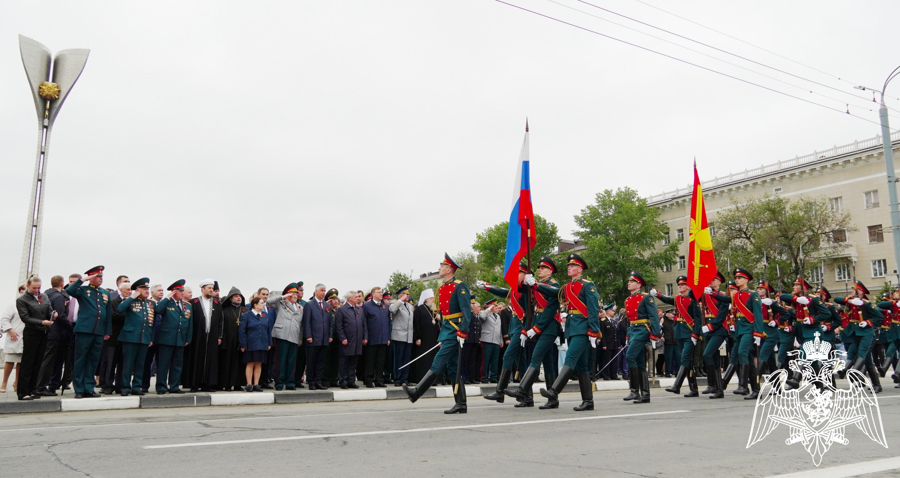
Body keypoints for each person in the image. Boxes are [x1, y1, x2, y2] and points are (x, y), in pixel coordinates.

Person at [404, 253, 472, 414]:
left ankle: (417, 392)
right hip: (447, 330)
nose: (439, 268)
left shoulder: (459, 286)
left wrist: (463, 331)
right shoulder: (442, 287)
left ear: (449, 269)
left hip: (455, 331)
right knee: (453, 366)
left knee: (438, 361)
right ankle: (461, 403)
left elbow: (466, 311)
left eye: (442, 266)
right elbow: (442, 314)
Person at [539, 254, 600, 411]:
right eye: (568, 266)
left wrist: (594, 330)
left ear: (580, 269)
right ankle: (588, 401)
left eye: (572, 266)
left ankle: (554, 390)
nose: (569, 268)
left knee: (570, 358)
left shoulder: (588, 285)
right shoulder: (566, 287)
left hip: (583, 328)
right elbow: (553, 293)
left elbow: (593, 310)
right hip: (572, 329)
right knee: (581, 366)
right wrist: (536, 285)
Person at [505, 256, 563, 408]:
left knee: (536, 357)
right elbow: (521, 293)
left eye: (543, 268)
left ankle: (522, 389)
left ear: (550, 270)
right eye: (539, 268)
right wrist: (524, 281)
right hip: (540, 325)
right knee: (548, 362)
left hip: (549, 326)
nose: (540, 270)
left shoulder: (553, 284)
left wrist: (536, 328)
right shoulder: (538, 284)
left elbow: (550, 309)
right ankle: (553, 399)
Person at [477, 262, 531, 405]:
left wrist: (526, 329)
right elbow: (503, 291)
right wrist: (487, 286)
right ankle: (527, 397)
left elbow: (529, 312)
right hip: (516, 329)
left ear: (525, 274)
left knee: (508, 357)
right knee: (522, 363)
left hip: (522, 329)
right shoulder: (515, 290)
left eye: (518, 272)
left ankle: (500, 391)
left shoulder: (527, 290)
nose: (515, 275)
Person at [65, 266, 112, 399]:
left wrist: (107, 331)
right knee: (81, 359)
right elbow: (69, 290)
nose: (101, 279)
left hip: (99, 331)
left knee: (93, 360)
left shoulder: (105, 293)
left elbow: (107, 314)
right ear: (91, 278)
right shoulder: (83, 290)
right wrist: (82, 280)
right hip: (84, 330)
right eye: (98, 276)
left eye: (101, 276)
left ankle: (89, 388)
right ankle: (79, 388)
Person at [778, 277, 830, 390]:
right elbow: (782, 296)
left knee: (804, 353)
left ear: (804, 288)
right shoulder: (795, 298)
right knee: (813, 362)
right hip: (801, 332)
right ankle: (820, 387)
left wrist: (813, 319)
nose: (793, 287)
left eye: (796, 285)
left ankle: (796, 379)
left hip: (813, 332)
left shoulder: (814, 300)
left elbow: (826, 314)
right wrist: (797, 299)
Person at [655, 276, 702, 398]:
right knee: (688, 362)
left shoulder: (693, 300)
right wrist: (658, 295)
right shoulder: (678, 299)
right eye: (678, 285)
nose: (680, 286)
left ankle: (677, 385)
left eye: (682, 284)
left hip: (690, 333)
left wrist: (696, 334)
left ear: (688, 286)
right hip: (680, 333)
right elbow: (667, 299)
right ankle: (694, 389)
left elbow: (698, 319)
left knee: (685, 359)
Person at [834, 281, 883, 392]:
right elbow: (837, 300)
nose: (852, 291)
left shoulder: (866, 304)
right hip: (855, 333)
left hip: (867, 333)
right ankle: (877, 385)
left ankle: (851, 370)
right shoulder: (850, 302)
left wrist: (868, 322)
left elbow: (879, 316)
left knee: (862, 353)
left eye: (855, 289)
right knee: (867, 360)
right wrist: (850, 300)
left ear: (861, 292)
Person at [620, 271, 660, 404]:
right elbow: (628, 320)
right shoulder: (627, 299)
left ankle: (634, 390)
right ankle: (645, 394)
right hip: (632, 331)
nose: (629, 283)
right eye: (629, 281)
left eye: (632, 281)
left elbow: (654, 316)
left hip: (643, 330)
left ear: (639, 284)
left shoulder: (646, 298)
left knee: (630, 356)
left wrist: (655, 334)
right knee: (639, 362)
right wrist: (627, 335)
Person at [16, 276, 55, 401]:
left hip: (43, 333)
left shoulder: (43, 296)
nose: (36, 290)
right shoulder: (22, 300)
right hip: (31, 333)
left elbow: (49, 309)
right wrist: (41, 322)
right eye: (34, 288)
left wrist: (53, 314)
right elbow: (25, 318)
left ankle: (33, 389)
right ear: (28, 286)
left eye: (38, 287)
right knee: (28, 362)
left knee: (38, 362)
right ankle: (23, 392)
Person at [35, 275, 74, 396]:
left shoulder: (46, 295)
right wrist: (72, 328)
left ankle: (49, 384)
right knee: (50, 360)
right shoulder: (58, 297)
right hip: (56, 332)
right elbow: (61, 316)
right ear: (62, 284)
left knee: (51, 360)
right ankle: (41, 386)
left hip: (49, 332)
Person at [116, 278, 155, 396]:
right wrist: (132, 297)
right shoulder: (130, 301)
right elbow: (119, 309)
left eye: (148, 289)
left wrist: (151, 338)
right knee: (128, 364)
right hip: (130, 337)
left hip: (144, 337)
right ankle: (125, 387)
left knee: (140, 364)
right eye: (144, 289)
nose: (147, 291)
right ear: (137, 290)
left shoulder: (150, 303)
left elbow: (151, 322)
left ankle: (137, 386)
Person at [184, 279, 224, 392]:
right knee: (196, 358)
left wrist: (219, 336)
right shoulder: (194, 302)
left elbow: (221, 321)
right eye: (209, 288)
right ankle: (195, 383)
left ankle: (208, 383)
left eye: (212, 288)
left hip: (212, 336)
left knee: (211, 360)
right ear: (202, 289)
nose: (211, 290)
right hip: (197, 335)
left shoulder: (217, 304)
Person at [154, 280, 193, 394]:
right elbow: (158, 310)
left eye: (183, 291)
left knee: (177, 365)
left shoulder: (187, 305)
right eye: (180, 291)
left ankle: (174, 386)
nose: (182, 293)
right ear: (174, 292)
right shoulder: (167, 303)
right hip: (167, 339)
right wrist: (167, 298)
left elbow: (189, 323)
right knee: (163, 364)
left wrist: (188, 338)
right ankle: (161, 386)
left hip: (180, 339)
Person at [699, 272, 728, 399]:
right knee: (714, 359)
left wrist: (710, 326)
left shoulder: (723, 296)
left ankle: (713, 384)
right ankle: (719, 389)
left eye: (714, 279)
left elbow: (722, 315)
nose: (711, 281)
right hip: (709, 330)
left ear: (719, 282)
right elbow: (692, 295)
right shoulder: (706, 295)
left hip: (719, 329)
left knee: (707, 354)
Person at [268, 283, 303, 390]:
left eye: (297, 293)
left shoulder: (300, 307)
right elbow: (268, 301)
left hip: (294, 336)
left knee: (292, 361)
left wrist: (300, 339)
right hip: (282, 335)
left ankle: (290, 382)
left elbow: (300, 325)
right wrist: (283, 297)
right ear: (288, 294)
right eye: (293, 293)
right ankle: (279, 382)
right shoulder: (281, 303)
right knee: (281, 360)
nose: (296, 295)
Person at [100, 280, 129, 395]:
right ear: (121, 290)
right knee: (110, 363)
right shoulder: (113, 302)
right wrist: (127, 317)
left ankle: (120, 385)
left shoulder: (131, 302)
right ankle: (107, 385)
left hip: (126, 338)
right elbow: (111, 315)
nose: (129, 292)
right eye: (127, 289)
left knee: (123, 363)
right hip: (113, 337)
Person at [304, 283, 334, 390]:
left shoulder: (327, 305)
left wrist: (330, 335)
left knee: (321, 362)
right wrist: (308, 335)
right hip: (313, 338)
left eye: (324, 291)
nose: (323, 293)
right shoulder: (309, 305)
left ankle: (318, 381)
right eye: (321, 290)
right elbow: (306, 322)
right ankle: (311, 381)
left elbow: (330, 322)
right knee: (312, 361)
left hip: (324, 339)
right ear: (316, 291)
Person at [239, 296, 273, 392]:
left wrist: (269, 342)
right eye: (261, 303)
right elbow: (242, 331)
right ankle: (249, 384)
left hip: (262, 343)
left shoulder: (265, 315)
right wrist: (243, 344)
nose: (263, 305)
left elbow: (268, 330)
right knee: (250, 363)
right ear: (255, 305)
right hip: (251, 343)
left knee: (259, 363)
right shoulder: (247, 315)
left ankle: (256, 384)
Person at [336, 291, 366, 388]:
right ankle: (343, 381)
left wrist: (365, 337)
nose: (358, 298)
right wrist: (342, 338)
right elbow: (339, 326)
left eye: (358, 296)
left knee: (353, 362)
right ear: (349, 298)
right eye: (356, 297)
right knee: (344, 362)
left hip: (357, 340)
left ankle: (351, 380)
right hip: (347, 340)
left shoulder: (359, 310)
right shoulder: (342, 309)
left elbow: (364, 325)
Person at [362, 287, 390, 388]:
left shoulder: (384, 306)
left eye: (381, 292)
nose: (381, 294)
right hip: (372, 338)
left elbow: (387, 323)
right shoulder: (367, 306)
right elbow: (364, 322)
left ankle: (379, 379)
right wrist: (365, 336)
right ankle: (368, 379)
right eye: (379, 292)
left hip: (382, 338)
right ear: (373, 294)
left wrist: (388, 337)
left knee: (380, 360)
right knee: (370, 360)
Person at [410, 289, 440, 385]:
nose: (433, 300)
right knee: (423, 360)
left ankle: (431, 380)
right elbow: (416, 324)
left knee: (432, 359)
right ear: (426, 299)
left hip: (433, 339)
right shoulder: (419, 309)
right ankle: (421, 379)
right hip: (422, 339)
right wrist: (417, 337)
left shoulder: (433, 310)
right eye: (431, 298)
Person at [1, 285, 26, 393]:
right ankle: (4, 383)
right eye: (21, 292)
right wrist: (10, 330)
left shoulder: (33, 305)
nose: (23, 293)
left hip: (27, 337)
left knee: (22, 362)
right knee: (10, 361)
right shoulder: (13, 306)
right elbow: (4, 319)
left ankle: (17, 382)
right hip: (14, 337)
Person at [219, 287, 245, 391]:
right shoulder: (224, 311)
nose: (238, 298)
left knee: (239, 363)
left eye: (239, 296)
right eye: (236, 296)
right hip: (228, 341)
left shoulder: (245, 310)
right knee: (227, 363)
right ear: (230, 298)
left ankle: (238, 384)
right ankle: (227, 384)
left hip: (240, 341)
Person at [390, 286, 415, 387]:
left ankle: (404, 378)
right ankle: (397, 378)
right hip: (399, 335)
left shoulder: (409, 306)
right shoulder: (395, 303)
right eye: (405, 294)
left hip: (408, 336)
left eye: (408, 294)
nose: (407, 296)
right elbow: (392, 310)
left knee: (406, 359)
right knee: (398, 358)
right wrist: (400, 300)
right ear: (400, 295)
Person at [479, 299, 503, 384]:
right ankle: (484, 377)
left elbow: (499, 330)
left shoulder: (498, 316)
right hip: (487, 340)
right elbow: (481, 317)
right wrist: (488, 309)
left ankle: (493, 377)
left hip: (496, 341)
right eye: (494, 306)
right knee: (486, 360)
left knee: (494, 361)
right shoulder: (485, 313)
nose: (496, 308)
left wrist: (501, 340)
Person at [324, 288, 343, 387]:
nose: (336, 301)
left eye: (337, 299)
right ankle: (326, 380)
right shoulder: (326, 310)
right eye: (333, 299)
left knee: (336, 360)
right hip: (328, 338)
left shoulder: (339, 311)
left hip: (337, 339)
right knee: (327, 360)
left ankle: (334, 379)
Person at [462, 301, 482, 384]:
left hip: (474, 341)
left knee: (472, 360)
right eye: (478, 306)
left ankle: (471, 377)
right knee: (465, 360)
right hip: (468, 340)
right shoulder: (468, 315)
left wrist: (478, 339)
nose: (479, 308)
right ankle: (464, 377)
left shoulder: (476, 316)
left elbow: (478, 329)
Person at [599, 303, 618, 380]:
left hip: (614, 344)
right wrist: (603, 344)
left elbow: (616, 334)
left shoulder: (613, 322)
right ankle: (606, 375)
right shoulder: (603, 321)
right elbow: (602, 334)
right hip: (607, 343)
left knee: (614, 360)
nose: (613, 312)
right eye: (612, 310)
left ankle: (613, 374)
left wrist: (618, 344)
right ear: (607, 311)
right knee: (607, 360)